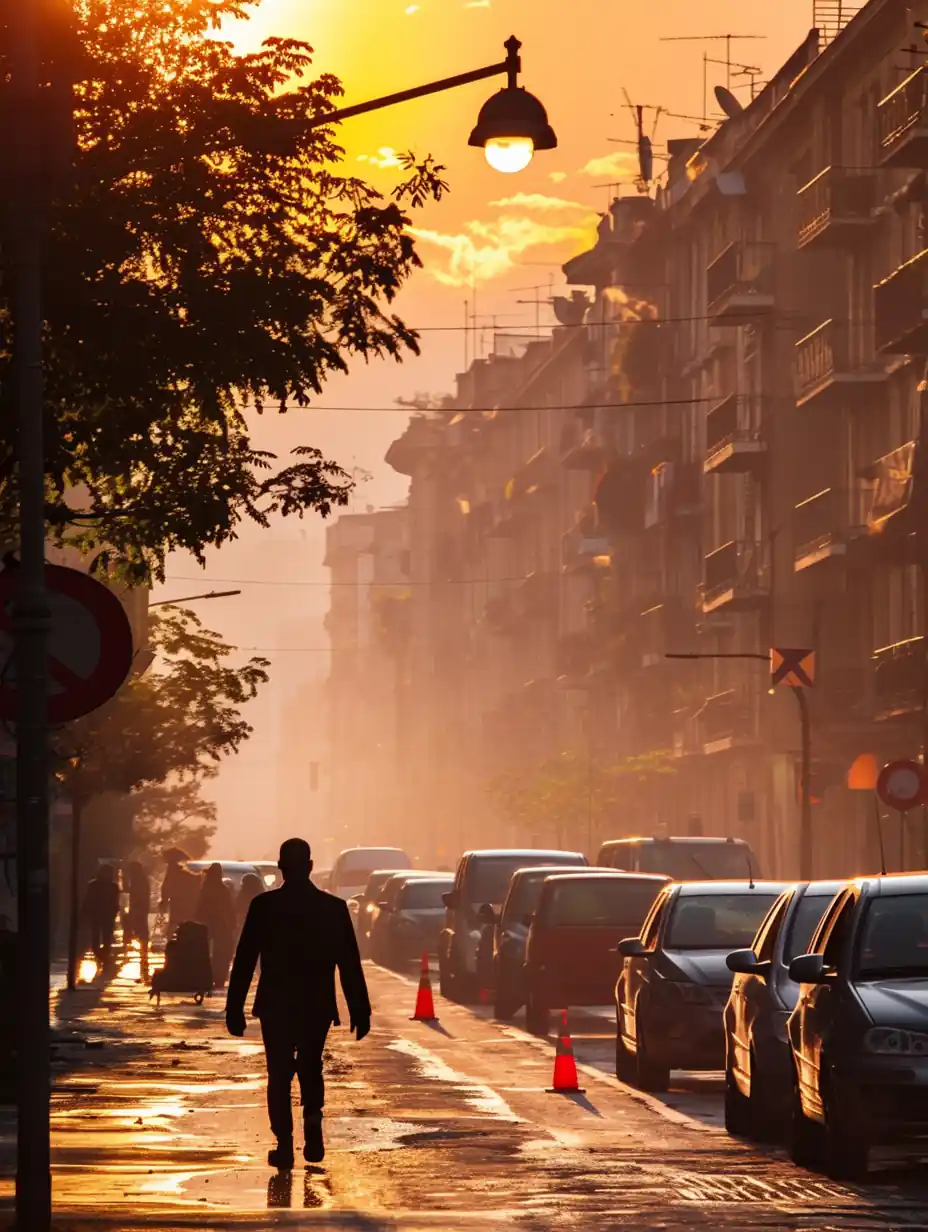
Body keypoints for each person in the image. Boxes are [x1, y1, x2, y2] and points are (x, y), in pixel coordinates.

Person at [226, 838, 371, 1169]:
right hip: (316, 1004)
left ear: (281, 869)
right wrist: (359, 1009)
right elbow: (349, 962)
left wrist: (234, 1008)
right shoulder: (333, 909)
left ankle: (284, 1143)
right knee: (310, 1063)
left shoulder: (263, 907)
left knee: (278, 1073)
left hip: (276, 1003)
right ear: (308, 867)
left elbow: (245, 958)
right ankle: (313, 1117)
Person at [195, 863, 237, 989]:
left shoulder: (206, 889)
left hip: (207, 923)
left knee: (204, 951)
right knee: (221, 953)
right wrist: (232, 923)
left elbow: (199, 907)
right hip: (220, 924)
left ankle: (206, 976)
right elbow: (229, 908)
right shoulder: (223, 889)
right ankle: (219, 978)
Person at [83, 863, 121, 964]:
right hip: (98, 915)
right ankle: (102, 957)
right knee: (98, 938)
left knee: (106, 938)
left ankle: (104, 957)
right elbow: (88, 900)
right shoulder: (95, 885)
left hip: (105, 916)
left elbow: (115, 902)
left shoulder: (113, 886)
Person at [159, 848, 201, 934]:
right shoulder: (183, 874)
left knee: (177, 925)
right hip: (183, 903)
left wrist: (164, 901)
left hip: (181, 903)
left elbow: (167, 887)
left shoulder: (175, 873)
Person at [125, 861, 152, 982]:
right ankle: (143, 955)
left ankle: (143, 955)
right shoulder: (141, 880)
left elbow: (135, 895)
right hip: (140, 909)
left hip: (138, 909)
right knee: (141, 932)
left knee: (139, 931)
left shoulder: (138, 881)